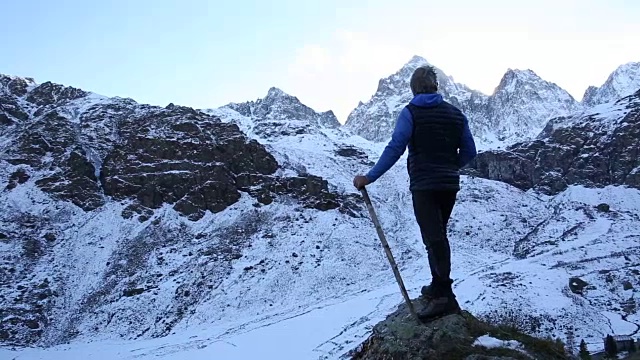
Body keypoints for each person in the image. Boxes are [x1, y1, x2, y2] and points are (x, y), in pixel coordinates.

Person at [353, 65, 477, 321]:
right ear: (436, 86)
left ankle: (444, 297)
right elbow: (469, 152)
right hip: (449, 184)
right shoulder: (456, 114)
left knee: (434, 238)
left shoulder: (411, 112)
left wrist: (370, 177)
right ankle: (438, 285)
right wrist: (450, 166)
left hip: (424, 185)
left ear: (413, 88)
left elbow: (396, 146)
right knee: (438, 235)